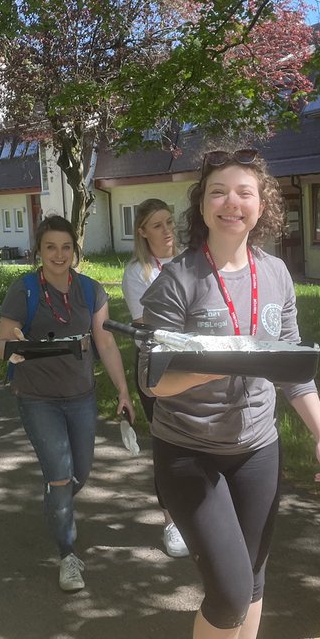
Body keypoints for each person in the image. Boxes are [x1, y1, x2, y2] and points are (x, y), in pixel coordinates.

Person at [139, 149, 320, 639]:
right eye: (219, 192)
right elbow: (154, 383)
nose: (232, 202)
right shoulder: (177, 280)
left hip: (257, 447)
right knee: (226, 591)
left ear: (262, 204)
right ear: (202, 205)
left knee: (252, 586)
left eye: (245, 192)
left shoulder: (276, 275)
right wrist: (225, 360)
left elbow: (290, 367)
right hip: (188, 452)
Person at [0, 215, 135, 593]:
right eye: (50, 247)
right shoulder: (23, 290)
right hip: (38, 398)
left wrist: (122, 390)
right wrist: (12, 350)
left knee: (80, 472)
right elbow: (0, 343)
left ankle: (57, 500)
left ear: (75, 251)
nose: (59, 254)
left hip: (81, 396)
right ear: (38, 251)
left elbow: (105, 343)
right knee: (59, 474)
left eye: (66, 247)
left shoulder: (90, 291)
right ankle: (68, 555)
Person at [121, 198, 189, 559]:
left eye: (169, 222)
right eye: (158, 225)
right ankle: (170, 520)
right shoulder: (138, 273)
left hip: (194, 362)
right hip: (158, 365)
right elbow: (152, 325)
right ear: (142, 232)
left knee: (197, 441)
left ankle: (199, 513)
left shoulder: (190, 262)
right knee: (166, 443)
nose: (167, 231)